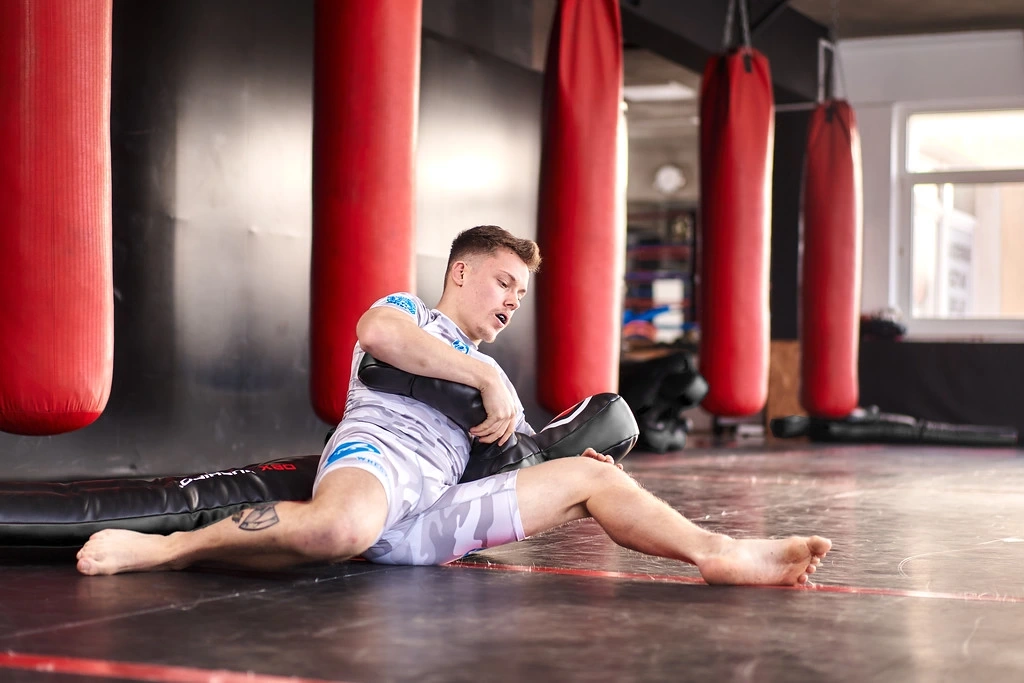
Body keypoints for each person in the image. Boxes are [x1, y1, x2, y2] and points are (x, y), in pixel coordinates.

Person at [77, 225, 831, 584]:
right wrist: (486, 378)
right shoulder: (409, 312)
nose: (513, 301)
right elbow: (376, 334)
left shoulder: (494, 371)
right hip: (378, 462)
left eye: (521, 294)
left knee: (595, 477)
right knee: (341, 527)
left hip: (437, 512)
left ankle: (720, 552)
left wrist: (565, 460)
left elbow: (516, 458)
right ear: (462, 273)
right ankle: (168, 549)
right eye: (505, 283)